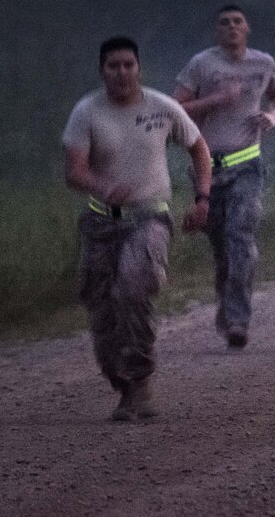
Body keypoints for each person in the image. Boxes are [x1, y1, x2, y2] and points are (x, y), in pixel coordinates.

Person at [63, 37, 211, 421]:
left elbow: (199, 148)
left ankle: (141, 381)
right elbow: (74, 171)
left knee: (133, 287)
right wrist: (103, 186)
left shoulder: (163, 107)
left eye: (129, 65)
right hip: (101, 221)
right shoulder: (87, 111)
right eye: (114, 66)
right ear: (102, 71)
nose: (122, 72)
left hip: (149, 217)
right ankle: (122, 383)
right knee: (101, 307)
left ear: (139, 68)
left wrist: (202, 198)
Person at [174, 5, 275, 349]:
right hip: (208, 166)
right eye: (224, 23)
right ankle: (227, 306)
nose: (232, 27)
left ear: (247, 27)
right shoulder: (201, 65)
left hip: (248, 163)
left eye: (237, 22)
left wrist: (273, 116)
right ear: (217, 31)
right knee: (222, 247)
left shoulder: (263, 63)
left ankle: (239, 319)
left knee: (241, 236)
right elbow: (175, 108)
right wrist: (216, 100)